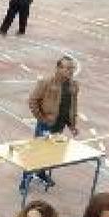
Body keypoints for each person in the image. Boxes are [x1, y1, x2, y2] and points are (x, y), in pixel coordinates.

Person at [24, 56, 81, 190]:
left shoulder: (74, 85)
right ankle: (25, 178)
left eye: (72, 68)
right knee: (37, 152)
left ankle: (41, 173)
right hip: (46, 124)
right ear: (58, 68)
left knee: (50, 153)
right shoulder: (46, 82)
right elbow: (33, 101)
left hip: (59, 125)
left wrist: (72, 125)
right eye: (67, 68)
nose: (70, 71)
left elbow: (71, 106)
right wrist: (42, 118)